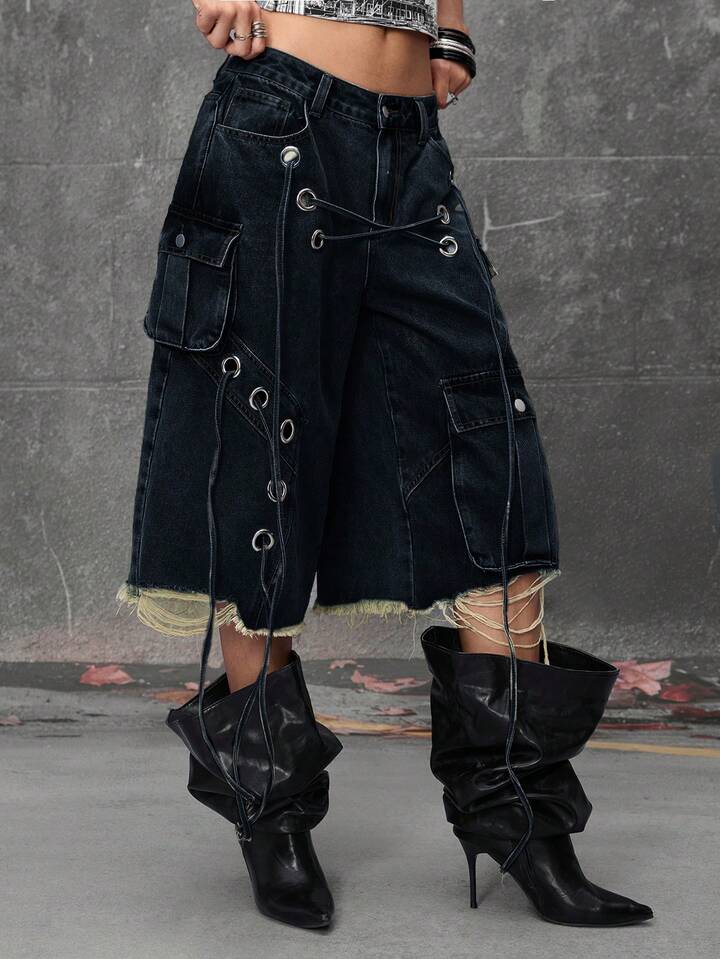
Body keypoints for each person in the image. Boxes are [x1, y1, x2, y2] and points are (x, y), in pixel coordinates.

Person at [118, 0, 653, 930]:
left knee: (487, 450)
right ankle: (273, 810)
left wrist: (450, 24)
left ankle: (521, 815)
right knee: (258, 457)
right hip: (276, 121)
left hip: (408, 144)